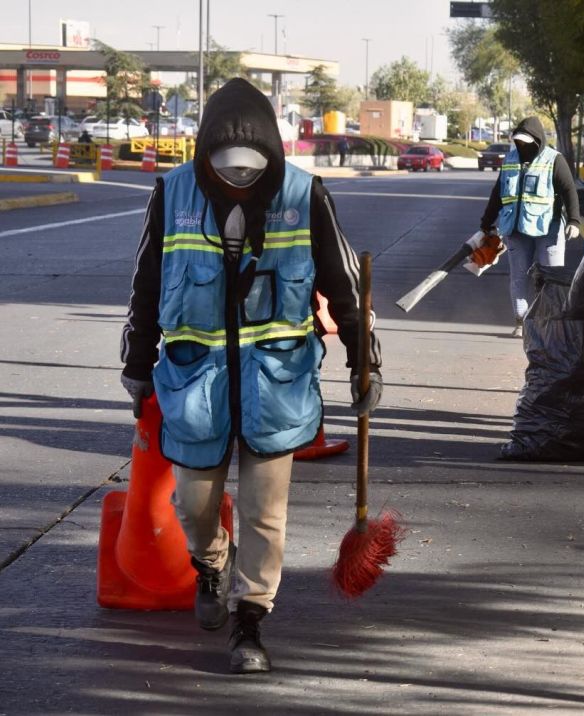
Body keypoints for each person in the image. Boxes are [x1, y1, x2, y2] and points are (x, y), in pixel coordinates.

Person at [119, 78, 383, 674]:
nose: (238, 176)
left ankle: (251, 620)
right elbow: (145, 287)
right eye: (226, 166)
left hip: (275, 383)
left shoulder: (305, 194)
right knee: (194, 507)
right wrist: (136, 366)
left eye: (249, 167)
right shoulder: (172, 194)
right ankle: (213, 564)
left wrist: (363, 362)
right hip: (196, 384)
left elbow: (345, 289)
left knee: (265, 512)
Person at [478, 116, 581, 337]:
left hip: (549, 228)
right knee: (519, 277)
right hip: (516, 229)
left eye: (526, 142)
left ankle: (550, 323)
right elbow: (498, 193)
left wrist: (574, 220)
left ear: (537, 140)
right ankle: (521, 322)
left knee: (551, 278)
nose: (522, 146)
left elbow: (569, 190)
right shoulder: (510, 160)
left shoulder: (554, 159)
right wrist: (487, 222)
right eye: (519, 142)